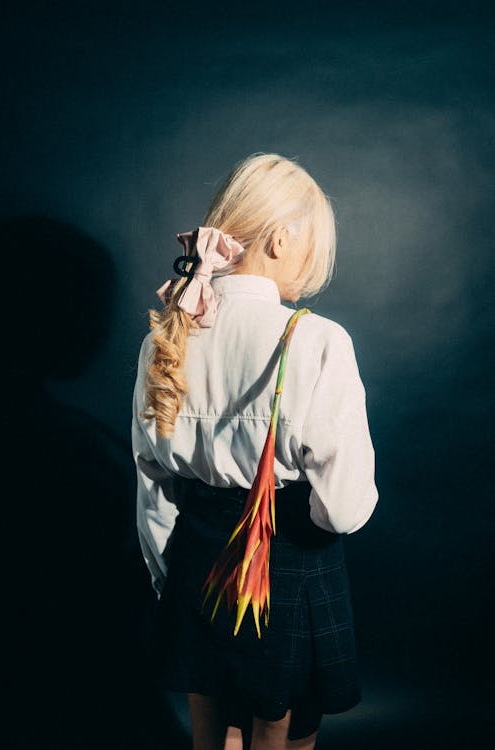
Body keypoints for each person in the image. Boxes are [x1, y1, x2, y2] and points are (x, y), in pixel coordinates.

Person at [131, 152, 379, 750]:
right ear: (280, 237)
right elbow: (345, 508)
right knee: (283, 732)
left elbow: (151, 484)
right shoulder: (318, 340)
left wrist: (177, 572)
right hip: (289, 560)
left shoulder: (165, 335)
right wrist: (301, 528)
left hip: (195, 556)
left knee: (212, 734)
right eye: (311, 246)